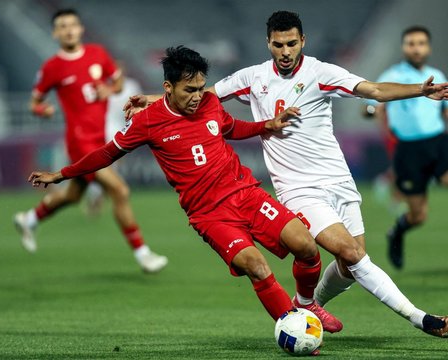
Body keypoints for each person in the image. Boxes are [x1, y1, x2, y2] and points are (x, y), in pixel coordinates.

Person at [124, 12, 448, 337]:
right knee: (351, 253)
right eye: (278, 44)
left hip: (339, 181)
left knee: (350, 269)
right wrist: (153, 99)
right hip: (298, 189)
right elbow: (202, 93)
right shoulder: (252, 77)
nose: (285, 51)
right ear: (268, 43)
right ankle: (420, 318)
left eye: (292, 43)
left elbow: (374, 89)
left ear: (302, 41)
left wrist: (420, 90)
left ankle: (308, 303)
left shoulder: (321, 73)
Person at [27, 45, 343, 346]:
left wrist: (267, 125)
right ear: (168, 87)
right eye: (188, 90)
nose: (196, 97)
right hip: (210, 215)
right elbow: (107, 154)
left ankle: (306, 305)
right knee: (256, 266)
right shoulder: (148, 122)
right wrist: (61, 174)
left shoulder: (209, 103)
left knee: (305, 245)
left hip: (246, 193)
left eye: (200, 88)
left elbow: (231, 127)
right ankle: (293, 330)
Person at [13, 8, 167, 273]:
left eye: (73, 24)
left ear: (81, 28)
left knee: (73, 196)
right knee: (120, 190)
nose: (69, 29)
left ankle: (30, 219)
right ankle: (143, 254)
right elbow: (34, 102)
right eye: (63, 26)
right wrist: (43, 110)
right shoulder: (52, 67)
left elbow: (117, 81)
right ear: (55, 33)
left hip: (101, 137)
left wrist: (109, 88)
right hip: (80, 141)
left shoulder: (97, 53)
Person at [364, 26, 448, 269]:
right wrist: (372, 110)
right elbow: (367, 106)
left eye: (421, 43)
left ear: (428, 47)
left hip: (438, 142)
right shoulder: (391, 75)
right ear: (404, 47)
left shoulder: (436, 73)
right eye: (411, 43)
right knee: (418, 216)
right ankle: (397, 232)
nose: (416, 48)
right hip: (409, 151)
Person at [85, 65, 144, 216]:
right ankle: (107, 195)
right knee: (109, 168)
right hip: (111, 130)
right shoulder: (108, 86)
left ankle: (99, 194)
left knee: (104, 167)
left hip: (119, 129)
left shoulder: (128, 85)